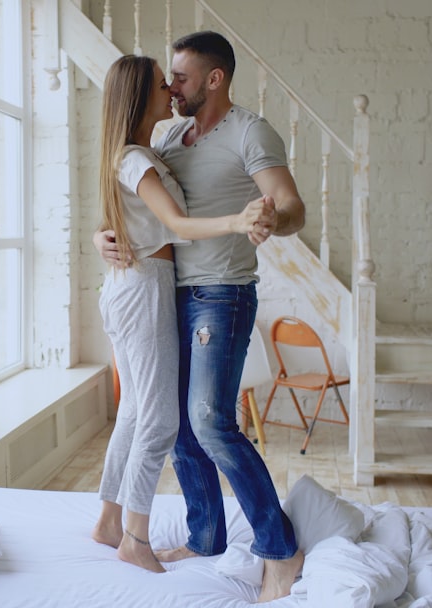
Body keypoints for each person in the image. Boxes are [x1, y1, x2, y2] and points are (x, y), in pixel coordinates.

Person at [94, 31, 306, 601]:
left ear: (214, 79)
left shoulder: (249, 131)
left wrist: (265, 221)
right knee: (180, 425)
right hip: (168, 292)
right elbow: (135, 193)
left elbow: (292, 207)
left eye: (181, 77)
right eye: (168, 80)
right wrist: (102, 235)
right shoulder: (168, 135)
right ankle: (205, 534)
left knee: (210, 422)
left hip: (222, 293)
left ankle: (280, 549)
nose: (172, 87)